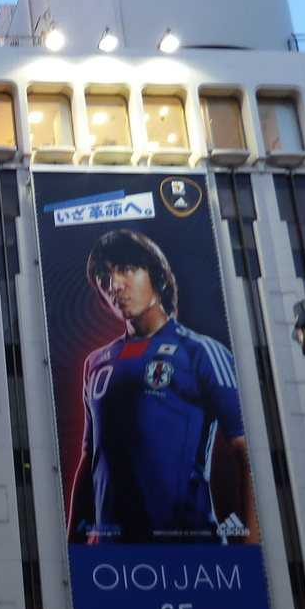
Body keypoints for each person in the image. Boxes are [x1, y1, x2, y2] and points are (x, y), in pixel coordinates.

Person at [68, 228, 257, 549]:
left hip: (191, 551)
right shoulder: (96, 362)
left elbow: (246, 452)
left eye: (126, 269)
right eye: (104, 275)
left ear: (157, 275)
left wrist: (249, 547)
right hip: (113, 560)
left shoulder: (201, 351)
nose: (114, 285)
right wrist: (71, 549)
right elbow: (90, 459)